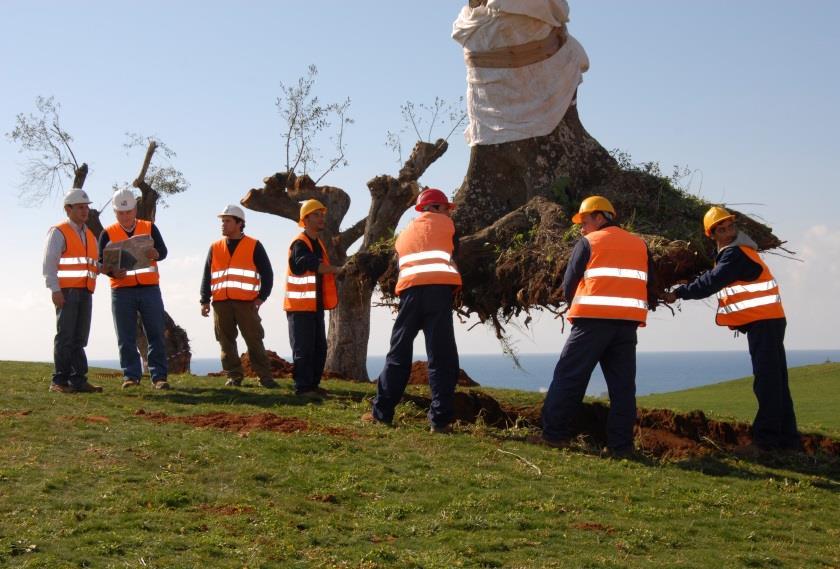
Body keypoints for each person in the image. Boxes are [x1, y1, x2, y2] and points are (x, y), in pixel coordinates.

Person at [661, 206, 800, 452]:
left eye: (729, 227)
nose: (727, 231)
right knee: (776, 381)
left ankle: (766, 442)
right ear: (712, 235)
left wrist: (679, 293)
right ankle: (788, 441)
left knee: (767, 381)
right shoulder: (742, 252)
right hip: (770, 320)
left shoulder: (735, 254)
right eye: (721, 229)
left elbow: (711, 282)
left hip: (764, 322)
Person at [539, 196, 654, 456]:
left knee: (569, 377)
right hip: (627, 326)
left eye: (584, 220)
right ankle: (621, 447)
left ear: (600, 217)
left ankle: (554, 436)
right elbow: (650, 283)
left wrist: (577, 306)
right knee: (623, 388)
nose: (581, 227)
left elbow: (569, 283)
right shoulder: (640, 245)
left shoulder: (589, 243)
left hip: (591, 323)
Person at [362, 188, 463, 433]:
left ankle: (381, 413)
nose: (448, 213)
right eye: (446, 208)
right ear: (437, 208)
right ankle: (440, 421)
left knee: (398, 354)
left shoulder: (403, 234)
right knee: (441, 357)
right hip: (437, 295)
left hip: (409, 295)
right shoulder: (448, 226)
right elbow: (454, 253)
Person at [200, 205, 278, 388]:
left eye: (227, 221)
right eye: (222, 221)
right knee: (225, 342)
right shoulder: (215, 247)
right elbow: (207, 275)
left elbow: (268, 274)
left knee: (254, 340)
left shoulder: (254, 245)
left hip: (246, 304)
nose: (223, 225)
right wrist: (204, 300)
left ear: (239, 223)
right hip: (220, 303)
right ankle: (234, 376)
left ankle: (265, 377)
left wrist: (261, 297)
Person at [99, 188, 170, 389]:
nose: (125, 216)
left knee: (155, 333)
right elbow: (100, 261)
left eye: (128, 211)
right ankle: (131, 376)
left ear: (135, 209)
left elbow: (163, 252)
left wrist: (155, 253)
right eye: (121, 213)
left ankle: (159, 377)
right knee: (125, 336)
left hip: (149, 289)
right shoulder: (108, 233)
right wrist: (112, 273)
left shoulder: (149, 227)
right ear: (115, 213)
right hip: (121, 290)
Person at [42, 188, 103, 393]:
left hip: (86, 292)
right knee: (65, 336)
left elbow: (93, 265)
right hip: (67, 292)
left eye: (87, 207)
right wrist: (54, 290)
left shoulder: (89, 235)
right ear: (68, 209)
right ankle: (59, 381)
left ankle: (78, 380)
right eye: (80, 207)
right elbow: (49, 264)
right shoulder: (59, 232)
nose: (85, 211)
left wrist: (111, 268)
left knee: (79, 338)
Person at [283, 199, 342, 399]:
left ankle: (313, 386)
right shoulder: (300, 243)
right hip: (299, 307)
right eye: (316, 214)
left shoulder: (318, 244)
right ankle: (302, 388)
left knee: (319, 348)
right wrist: (337, 270)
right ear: (305, 219)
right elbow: (307, 264)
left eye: (322, 214)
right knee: (303, 348)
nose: (321, 218)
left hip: (314, 306)